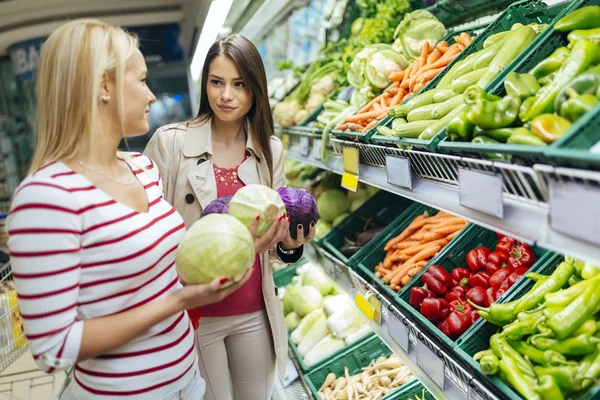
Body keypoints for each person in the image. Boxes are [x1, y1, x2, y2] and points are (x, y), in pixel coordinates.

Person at [7, 19, 253, 400]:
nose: (152, 96)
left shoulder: (141, 166)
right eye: (141, 80)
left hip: (188, 381)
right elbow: (53, 348)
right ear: (104, 86)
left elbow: (157, 274)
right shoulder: (46, 197)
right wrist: (179, 302)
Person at [144, 34, 315, 400]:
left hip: (254, 309)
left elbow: (275, 242)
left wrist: (289, 245)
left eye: (239, 84)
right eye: (216, 82)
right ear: (204, 82)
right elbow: (148, 233)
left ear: (256, 89)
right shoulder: (170, 143)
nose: (226, 95)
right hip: (196, 313)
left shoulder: (269, 150)